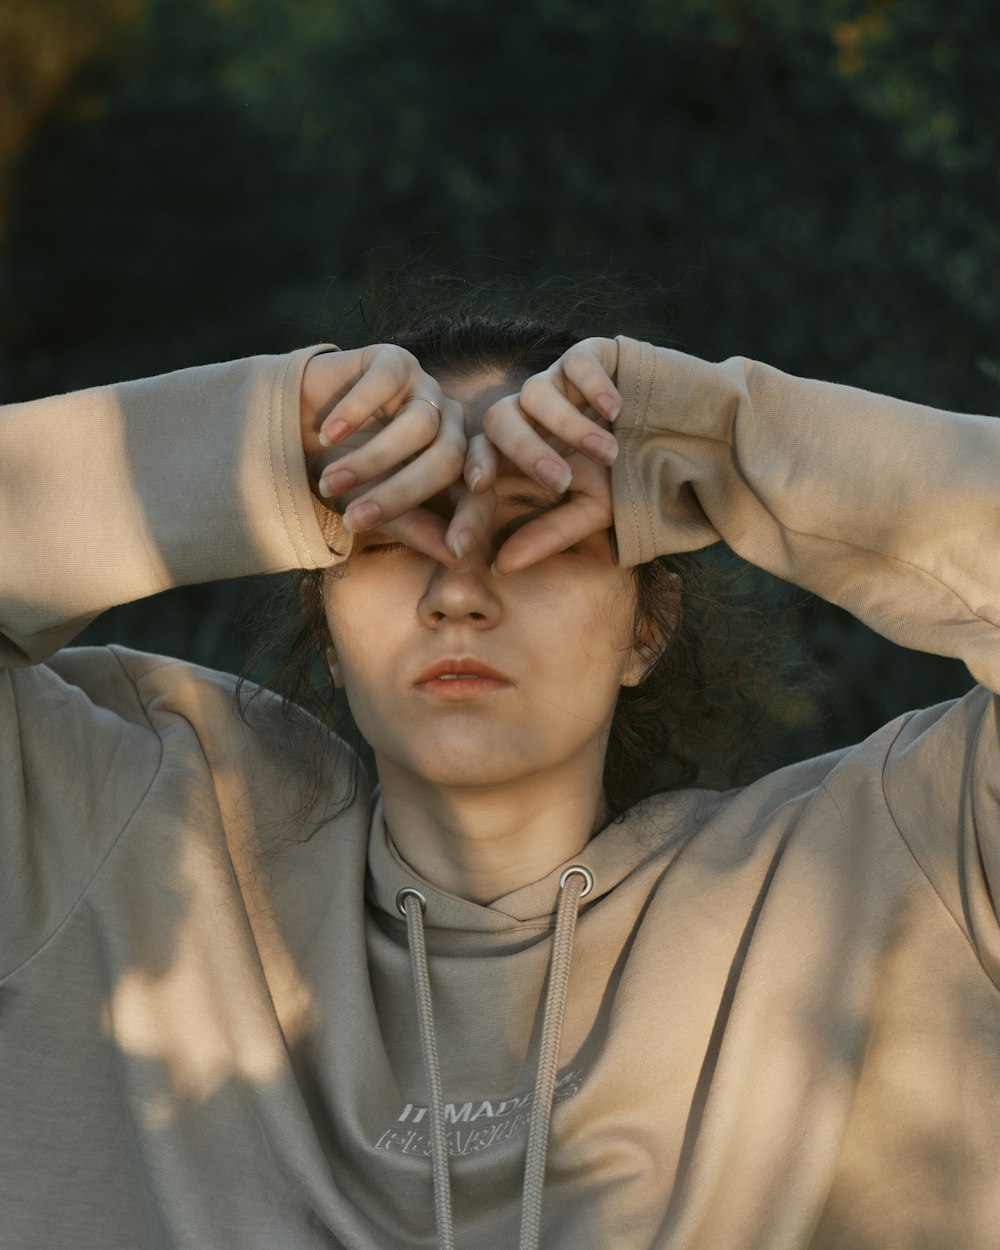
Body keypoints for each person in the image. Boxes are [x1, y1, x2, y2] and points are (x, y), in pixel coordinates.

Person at [1, 313, 998, 1250]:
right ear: (326, 620)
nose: (460, 591)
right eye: (392, 535)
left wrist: (722, 445)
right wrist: (255, 444)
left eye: (541, 530)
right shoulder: (129, 828)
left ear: (645, 624)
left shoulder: (897, 856)